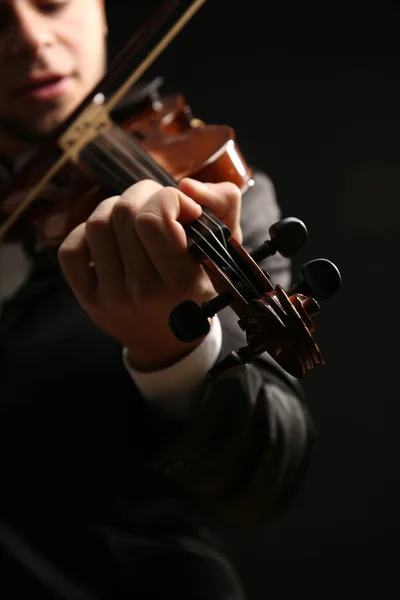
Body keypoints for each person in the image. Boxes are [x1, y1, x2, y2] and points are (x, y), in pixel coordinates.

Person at [0, 1, 315, 598]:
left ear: (98, 11)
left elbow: (266, 480)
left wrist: (173, 353)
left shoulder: (220, 193)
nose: (32, 40)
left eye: (53, 3)